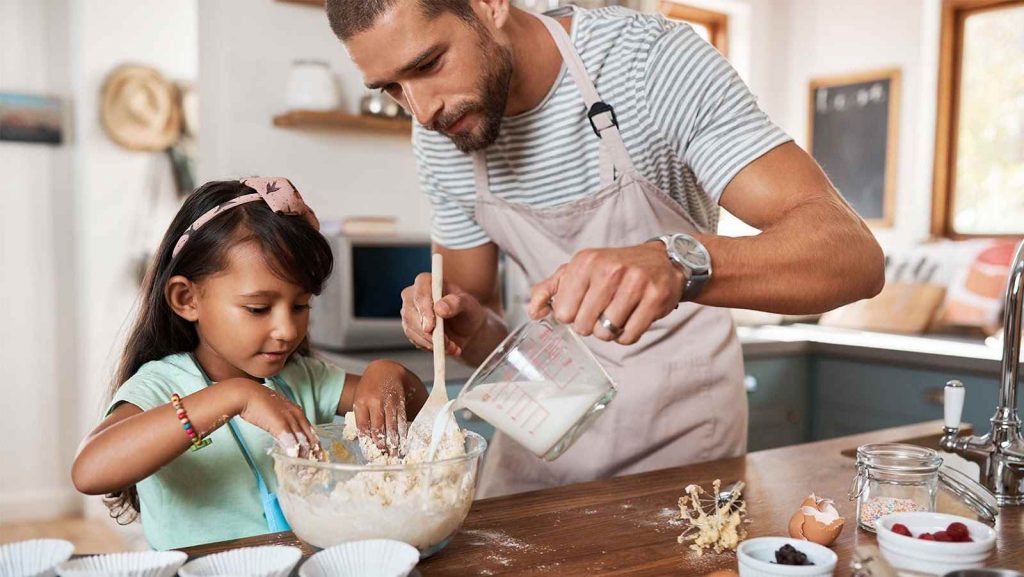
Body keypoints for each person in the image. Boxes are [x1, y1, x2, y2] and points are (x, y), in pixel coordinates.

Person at [325, 0, 885, 497]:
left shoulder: (648, 64)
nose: (421, 111)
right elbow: (481, 323)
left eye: (427, 65)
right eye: (393, 88)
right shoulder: (442, 133)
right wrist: (459, 323)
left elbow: (853, 257)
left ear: (490, 4)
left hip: (679, 436)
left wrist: (678, 261)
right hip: (542, 423)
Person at [71, 178, 428, 550]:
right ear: (186, 299)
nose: (287, 330)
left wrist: (389, 373)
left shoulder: (303, 379)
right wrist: (234, 397)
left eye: (300, 306)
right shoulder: (161, 385)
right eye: (258, 308)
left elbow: (421, 410)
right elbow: (90, 471)